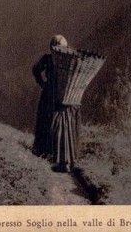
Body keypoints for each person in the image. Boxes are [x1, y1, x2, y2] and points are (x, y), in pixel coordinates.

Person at [32, 35, 81, 173]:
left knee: (51, 125)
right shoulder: (68, 61)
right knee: (63, 128)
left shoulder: (51, 59)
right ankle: (64, 160)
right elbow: (36, 69)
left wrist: (43, 83)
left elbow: (36, 69)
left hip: (55, 98)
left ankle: (53, 156)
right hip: (65, 100)